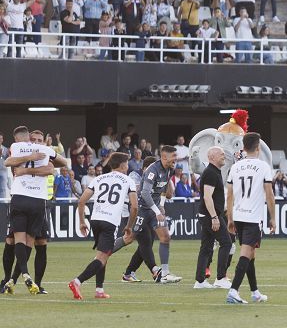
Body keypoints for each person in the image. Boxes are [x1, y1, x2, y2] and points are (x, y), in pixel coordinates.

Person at [2, 125, 65, 294]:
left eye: (39, 140)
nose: (36, 142)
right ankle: (11, 279)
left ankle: (22, 278)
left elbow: (52, 168)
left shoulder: (19, 149)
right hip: (36, 200)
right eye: (33, 139)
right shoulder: (42, 151)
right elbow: (8, 162)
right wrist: (34, 157)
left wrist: (25, 169)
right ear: (28, 139)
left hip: (30, 199)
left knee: (36, 242)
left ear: (43, 141)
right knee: (13, 242)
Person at [68, 152, 137, 300]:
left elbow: (81, 201)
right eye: (127, 163)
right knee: (102, 257)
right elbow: (135, 207)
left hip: (95, 220)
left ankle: (99, 290)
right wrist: (129, 226)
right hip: (110, 221)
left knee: (103, 254)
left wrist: (81, 222)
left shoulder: (98, 178)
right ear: (123, 165)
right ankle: (77, 281)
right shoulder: (128, 180)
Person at [225, 132, 276, 305]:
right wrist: (273, 218)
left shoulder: (235, 167)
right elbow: (269, 194)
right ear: (258, 147)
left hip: (238, 215)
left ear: (244, 147)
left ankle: (255, 292)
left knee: (251, 254)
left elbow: (229, 195)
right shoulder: (263, 167)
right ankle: (233, 291)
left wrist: (230, 218)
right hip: (253, 217)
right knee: (246, 253)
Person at [118, 145, 181, 283]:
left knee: (162, 238)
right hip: (139, 209)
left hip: (153, 210)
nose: (176, 159)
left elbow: (166, 191)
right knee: (132, 240)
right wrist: (158, 210)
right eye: (173, 157)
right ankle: (103, 254)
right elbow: (144, 193)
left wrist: (162, 205)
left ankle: (162, 273)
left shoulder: (169, 170)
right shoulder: (147, 172)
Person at [193, 146, 233, 290]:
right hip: (211, 216)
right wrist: (215, 217)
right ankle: (221, 278)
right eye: (221, 154)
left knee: (206, 247)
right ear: (212, 157)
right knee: (226, 243)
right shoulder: (210, 172)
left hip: (208, 215)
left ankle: (200, 281)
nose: (224, 156)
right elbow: (207, 197)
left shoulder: (213, 171)